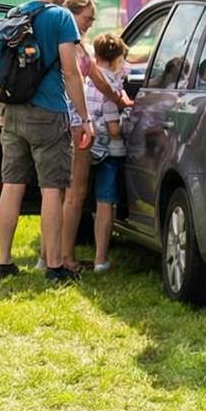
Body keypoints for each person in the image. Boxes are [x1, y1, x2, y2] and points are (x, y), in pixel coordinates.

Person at [0, 0, 92, 283]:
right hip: (49, 112)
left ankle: (4, 261)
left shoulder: (14, 14)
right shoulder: (61, 17)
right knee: (52, 189)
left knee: (12, 186)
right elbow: (70, 71)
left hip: (13, 111)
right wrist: (84, 118)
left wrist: (3, 110)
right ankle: (54, 265)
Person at [57, 0, 130, 271]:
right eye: (87, 18)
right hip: (76, 123)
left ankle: (49, 255)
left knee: (57, 193)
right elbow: (96, 80)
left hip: (56, 119)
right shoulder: (73, 44)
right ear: (72, 14)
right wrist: (119, 99)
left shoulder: (54, 37)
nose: (90, 23)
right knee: (75, 194)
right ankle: (65, 258)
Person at [82, 32, 129, 272]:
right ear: (115, 59)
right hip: (108, 152)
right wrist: (128, 123)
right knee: (105, 203)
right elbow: (113, 129)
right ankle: (101, 258)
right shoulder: (111, 86)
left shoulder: (89, 81)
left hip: (88, 146)